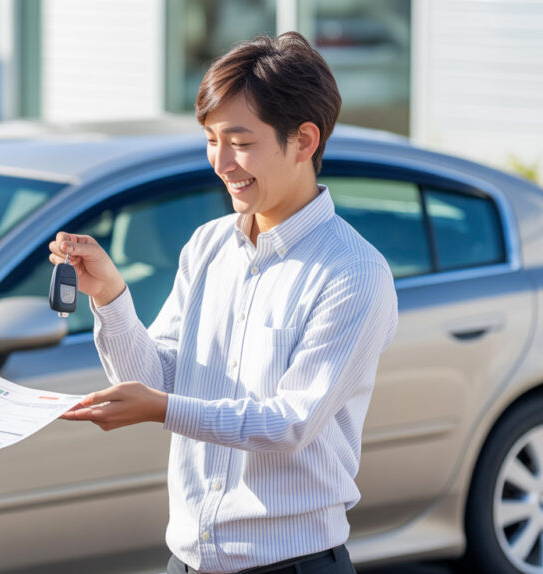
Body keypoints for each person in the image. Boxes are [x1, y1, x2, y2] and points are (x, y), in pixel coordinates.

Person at [51, 32, 397, 574]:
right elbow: (158, 378)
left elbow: (290, 423)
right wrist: (111, 297)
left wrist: (162, 409)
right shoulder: (208, 246)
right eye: (211, 139)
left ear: (304, 140)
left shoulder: (354, 272)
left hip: (295, 565)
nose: (221, 162)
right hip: (186, 562)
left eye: (240, 141)